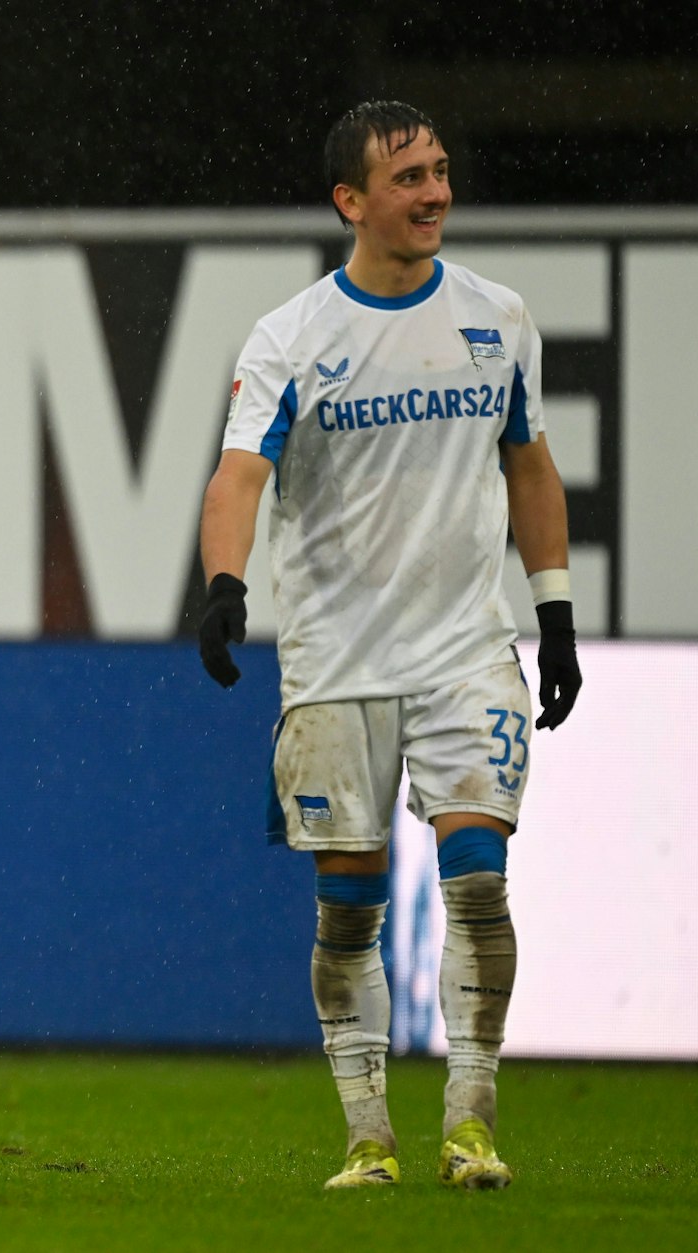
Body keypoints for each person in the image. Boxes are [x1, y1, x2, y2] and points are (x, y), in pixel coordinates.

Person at [197, 101, 582, 1191]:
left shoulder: (496, 316)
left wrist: (549, 609)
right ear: (348, 202)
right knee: (349, 905)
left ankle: (471, 1116)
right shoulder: (290, 337)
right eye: (407, 178)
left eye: (440, 171)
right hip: (334, 661)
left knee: (475, 880)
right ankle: (367, 1134)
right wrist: (224, 585)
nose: (432, 194)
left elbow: (528, 465)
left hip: (464, 649)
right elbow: (237, 475)